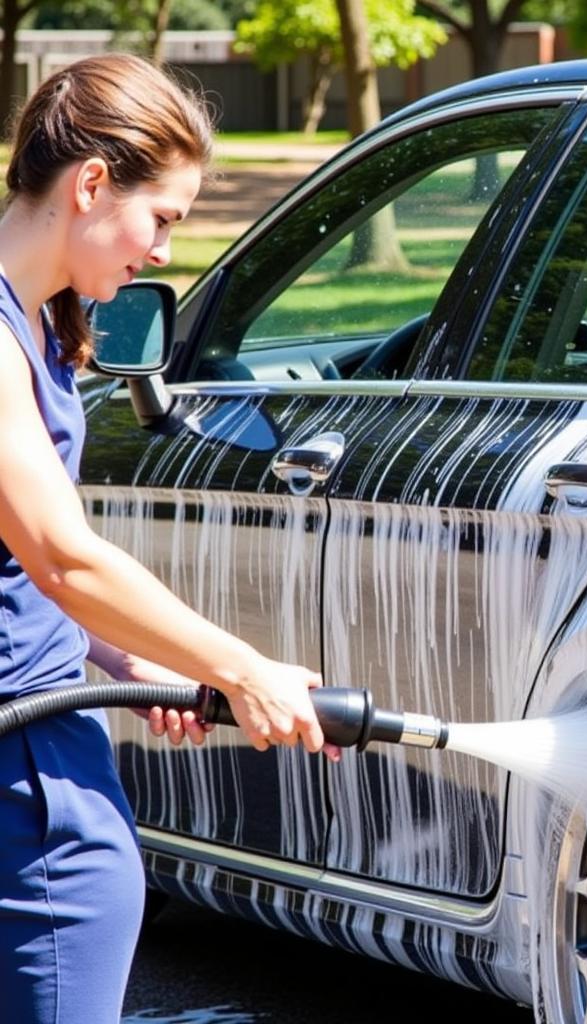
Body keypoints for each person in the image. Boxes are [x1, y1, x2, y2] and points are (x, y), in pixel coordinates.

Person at [0, 54, 341, 1023]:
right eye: (164, 219)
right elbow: (62, 557)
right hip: (31, 789)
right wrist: (243, 669)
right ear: (92, 182)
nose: (161, 251)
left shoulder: (34, 320)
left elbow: (20, 566)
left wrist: (127, 659)